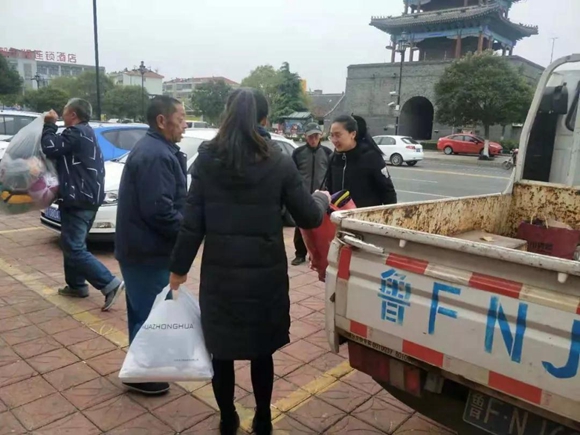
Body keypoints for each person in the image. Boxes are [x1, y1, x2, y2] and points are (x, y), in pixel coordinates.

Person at [168, 88, 330, 435]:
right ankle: (263, 419)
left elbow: (192, 223)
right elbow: (308, 216)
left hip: (220, 277)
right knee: (261, 351)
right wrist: (321, 198)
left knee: (221, 352)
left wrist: (178, 269)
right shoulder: (278, 160)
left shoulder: (207, 160)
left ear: (226, 115)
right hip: (264, 278)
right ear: (265, 119)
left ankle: (228, 418)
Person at [114, 96, 188, 395]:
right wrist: (188, 233)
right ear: (162, 120)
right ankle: (142, 374)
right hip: (147, 252)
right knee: (152, 317)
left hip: (141, 250)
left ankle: (139, 370)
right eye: (181, 118)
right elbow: (160, 211)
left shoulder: (156, 149)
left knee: (143, 313)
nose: (185, 125)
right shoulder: (155, 154)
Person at [41, 99, 124, 312]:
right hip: (88, 197)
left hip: (78, 199)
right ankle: (76, 285)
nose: (62, 115)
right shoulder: (86, 132)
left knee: (74, 247)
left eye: (65, 112)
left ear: (73, 115)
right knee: (72, 243)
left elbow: (50, 147)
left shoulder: (76, 132)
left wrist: (49, 124)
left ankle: (109, 284)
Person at [327, 114, 397, 207]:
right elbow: (329, 190)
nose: (334, 140)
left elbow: (388, 192)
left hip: (365, 214)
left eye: (338, 135)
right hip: (339, 215)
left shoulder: (371, 157)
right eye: (331, 135)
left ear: (352, 134)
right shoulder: (333, 158)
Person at [290, 122, 332, 265]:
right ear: (305, 137)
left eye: (316, 136)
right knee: (300, 226)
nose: (313, 139)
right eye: (310, 137)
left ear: (321, 136)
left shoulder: (327, 153)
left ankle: (318, 255)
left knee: (321, 228)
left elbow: (330, 174)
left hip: (321, 197)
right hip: (303, 195)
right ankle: (300, 254)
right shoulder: (298, 153)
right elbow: (292, 174)